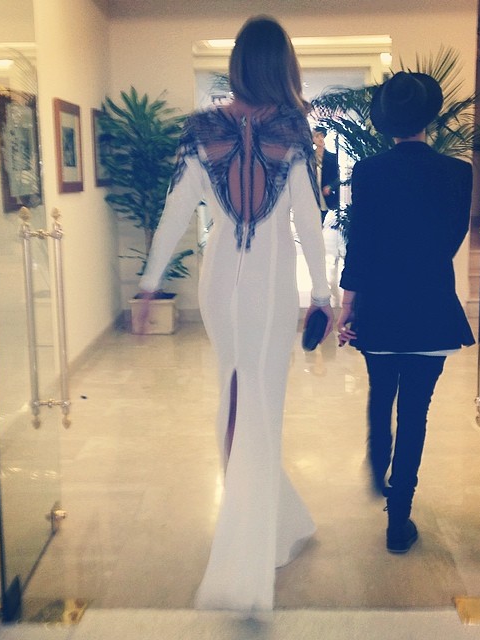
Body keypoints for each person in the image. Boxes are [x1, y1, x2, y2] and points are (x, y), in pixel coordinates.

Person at [137, 15, 333, 611]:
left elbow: (175, 213)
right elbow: (308, 222)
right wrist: (321, 294)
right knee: (261, 402)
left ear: (238, 64)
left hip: (220, 283)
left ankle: (260, 516)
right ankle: (251, 537)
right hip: (270, 288)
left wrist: (148, 286)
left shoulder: (200, 130)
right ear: (283, 65)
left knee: (233, 392)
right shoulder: (293, 131)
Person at [336, 71, 475, 554]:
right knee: (416, 413)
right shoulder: (459, 173)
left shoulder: (369, 172)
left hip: (379, 306)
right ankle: (399, 520)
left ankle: (379, 460)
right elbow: (453, 237)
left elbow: (360, 241)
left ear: (387, 123)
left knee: (381, 393)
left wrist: (348, 304)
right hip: (431, 306)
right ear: (428, 118)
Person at [312, 126, 340, 224]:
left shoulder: (331, 157)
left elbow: (337, 178)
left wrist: (330, 187)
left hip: (324, 197)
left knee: (320, 221)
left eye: (322, 136)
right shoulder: (309, 157)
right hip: (310, 196)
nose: (320, 139)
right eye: (317, 136)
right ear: (313, 139)